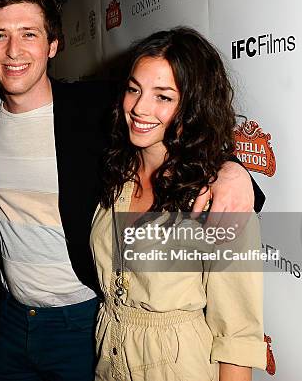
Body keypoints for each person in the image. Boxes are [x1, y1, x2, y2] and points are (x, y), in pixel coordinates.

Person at [0, 0, 265, 381]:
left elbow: (176, 130)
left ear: (53, 44)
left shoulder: (97, 110)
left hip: (82, 323)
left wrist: (231, 169)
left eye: (28, 34)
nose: (13, 50)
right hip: (7, 321)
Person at [91, 27, 266, 381]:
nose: (139, 107)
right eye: (134, 89)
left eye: (164, 97)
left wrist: (231, 170)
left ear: (193, 105)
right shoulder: (115, 172)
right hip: (109, 360)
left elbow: (236, 334)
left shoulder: (218, 196)